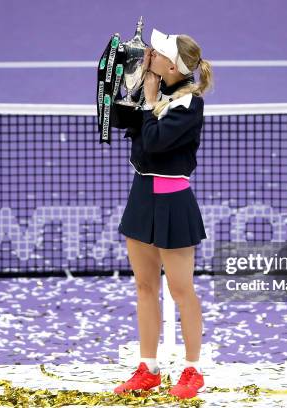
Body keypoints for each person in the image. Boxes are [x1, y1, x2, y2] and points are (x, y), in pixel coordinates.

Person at [112, 28, 213, 400]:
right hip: (141, 199)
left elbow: (152, 142)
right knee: (144, 287)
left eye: (156, 52)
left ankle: (192, 370)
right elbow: (121, 126)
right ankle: (149, 369)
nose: (148, 52)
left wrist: (150, 100)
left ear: (172, 66)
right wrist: (129, 88)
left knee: (181, 290)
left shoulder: (189, 105)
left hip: (173, 204)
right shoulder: (154, 92)